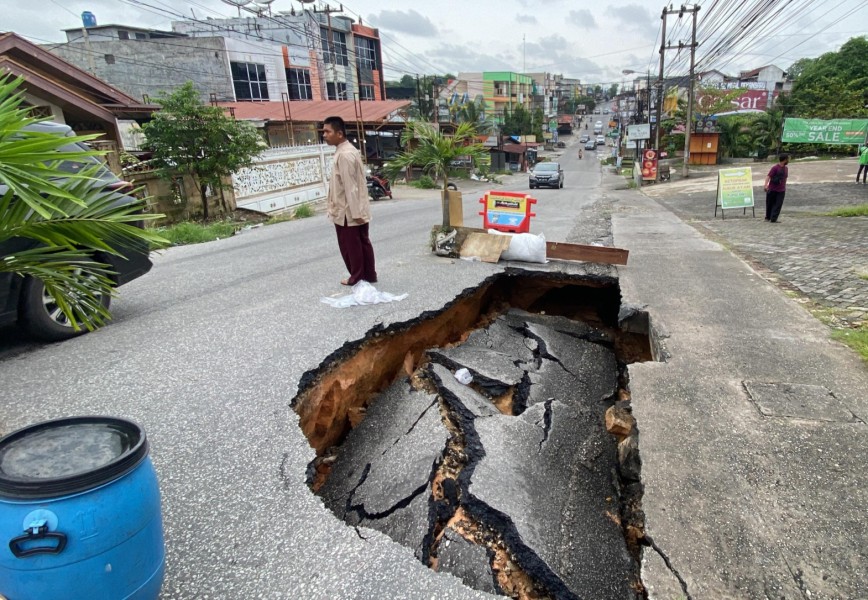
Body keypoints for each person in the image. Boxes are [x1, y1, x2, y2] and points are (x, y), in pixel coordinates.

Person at [323, 115, 377, 285]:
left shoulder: (345, 154)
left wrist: (355, 212)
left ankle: (357, 277)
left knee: (350, 246)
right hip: (353, 208)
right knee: (362, 242)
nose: (324, 135)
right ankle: (369, 275)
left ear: (339, 134)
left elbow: (350, 186)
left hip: (347, 211)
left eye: (327, 131)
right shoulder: (347, 151)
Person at [763, 153, 790, 223]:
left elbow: (785, 178)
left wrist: (784, 186)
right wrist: (765, 185)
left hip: (781, 190)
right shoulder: (775, 168)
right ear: (785, 160)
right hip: (772, 189)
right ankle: (768, 217)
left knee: (778, 205)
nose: (788, 160)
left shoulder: (786, 169)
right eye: (787, 159)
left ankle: (773, 218)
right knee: (770, 204)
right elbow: (768, 176)